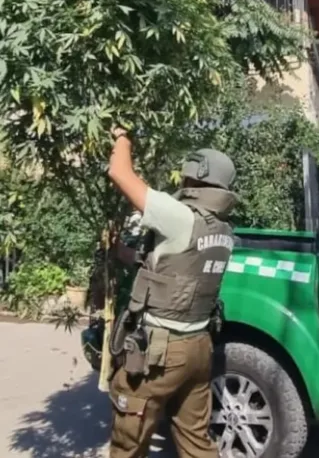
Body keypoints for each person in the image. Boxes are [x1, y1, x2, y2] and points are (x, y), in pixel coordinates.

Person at [106, 126, 238, 458]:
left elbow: (119, 172)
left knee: (128, 444)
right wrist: (118, 250)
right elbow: (170, 266)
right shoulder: (222, 230)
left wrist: (123, 135)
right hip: (198, 348)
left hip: (162, 352)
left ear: (192, 177)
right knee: (196, 442)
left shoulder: (181, 217)